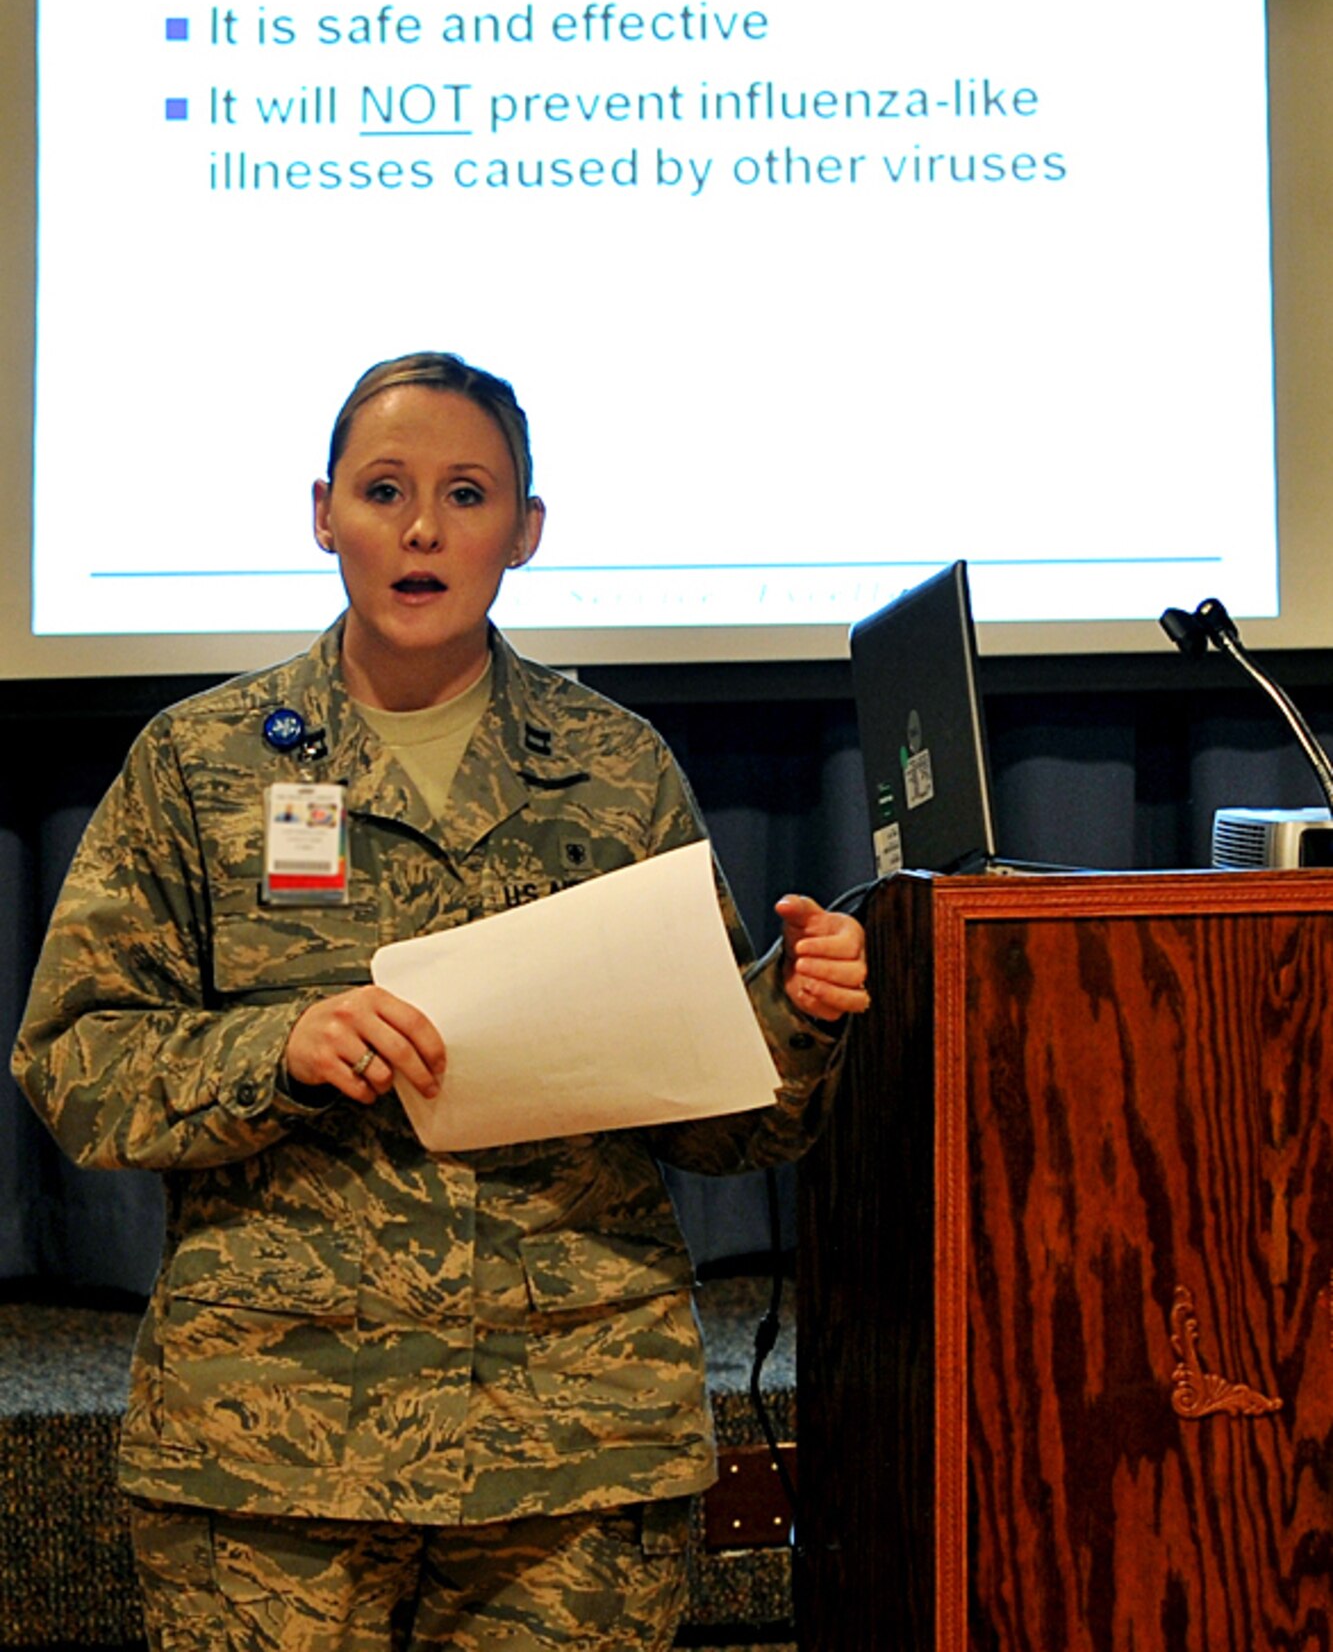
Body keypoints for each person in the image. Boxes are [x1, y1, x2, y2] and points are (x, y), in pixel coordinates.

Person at [12, 351, 869, 1652]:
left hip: (572, 1442)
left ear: (525, 531)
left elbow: (716, 1126)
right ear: (322, 513)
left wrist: (796, 1009)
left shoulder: (611, 767)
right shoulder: (199, 763)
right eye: (384, 490)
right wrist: (276, 1047)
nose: (421, 528)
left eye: (467, 494)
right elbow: (77, 1064)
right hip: (270, 1445)